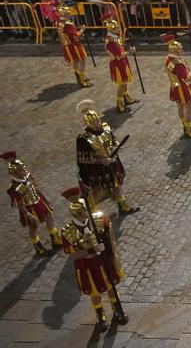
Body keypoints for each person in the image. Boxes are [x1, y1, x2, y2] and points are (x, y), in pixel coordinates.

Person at [59, 186, 128, 332]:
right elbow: (72, 256)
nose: (88, 213)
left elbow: (111, 241)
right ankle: (100, 315)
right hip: (87, 267)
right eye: (85, 212)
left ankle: (116, 310)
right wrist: (90, 250)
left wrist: (111, 255)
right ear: (77, 214)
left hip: (104, 262)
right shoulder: (68, 232)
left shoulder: (99, 220)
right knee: (95, 292)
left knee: (111, 286)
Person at [75, 100, 139, 214]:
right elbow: (83, 159)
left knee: (117, 183)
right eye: (93, 122)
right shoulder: (83, 139)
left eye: (97, 120)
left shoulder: (105, 128)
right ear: (87, 123)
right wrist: (101, 160)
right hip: (98, 169)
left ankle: (123, 206)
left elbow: (113, 140)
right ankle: (88, 212)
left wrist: (117, 145)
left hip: (113, 162)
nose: (96, 123)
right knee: (99, 192)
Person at [3, 151, 60, 255]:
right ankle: (38, 247)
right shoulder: (14, 188)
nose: (24, 170)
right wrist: (29, 215)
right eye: (21, 169)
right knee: (33, 227)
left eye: (23, 167)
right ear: (15, 173)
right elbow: (20, 205)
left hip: (38, 201)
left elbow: (35, 189)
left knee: (50, 216)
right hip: (29, 208)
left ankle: (55, 239)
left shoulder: (28, 176)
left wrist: (46, 200)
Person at [162, 34, 191, 138]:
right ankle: (188, 129)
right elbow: (186, 77)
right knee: (190, 108)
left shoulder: (168, 58)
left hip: (175, 86)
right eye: (179, 49)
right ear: (174, 51)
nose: (181, 50)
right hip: (183, 88)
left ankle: (185, 125)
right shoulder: (176, 63)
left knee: (181, 106)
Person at [102, 11, 139, 113]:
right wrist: (130, 52)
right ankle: (120, 104)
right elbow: (118, 56)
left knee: (125, 81)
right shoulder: (111, 42)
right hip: (118, 64)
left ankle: (126, 98)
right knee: (122, 83)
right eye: (117, 28)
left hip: (122, 62)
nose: (119, 29)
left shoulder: (114, 37)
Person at [56, 5, 91, 88]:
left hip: (66, 45)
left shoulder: (59, 22)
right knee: (82, 59)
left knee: (75, 61)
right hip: (73, 44)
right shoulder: (67, 24)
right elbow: (75, 35)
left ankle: (80, 77)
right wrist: (82, 29)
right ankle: (81, 78)